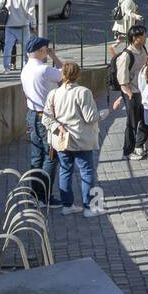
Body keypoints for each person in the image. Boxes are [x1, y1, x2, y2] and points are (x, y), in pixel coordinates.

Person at [42, 61, 101, 217]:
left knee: (65, 171)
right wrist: (104, 113)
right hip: (81, 139)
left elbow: (45, 118)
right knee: (87, 171)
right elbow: (91, 117)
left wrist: (58, 127)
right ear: (78, 74)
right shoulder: (83, 92)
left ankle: (67, 205)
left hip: (62, 140)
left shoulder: (53, 93)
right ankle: (89, 207)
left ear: (62, 75)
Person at [20, 37, 64, 202]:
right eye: (46, 49)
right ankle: (45, 196)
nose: (47, 51)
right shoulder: (45, 70)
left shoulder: (25, 69)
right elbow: (67, 74)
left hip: (32, 115)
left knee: (36, 156)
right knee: (51, 156)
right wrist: (54, 56)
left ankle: (35, 192)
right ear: (40, 51)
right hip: (46, 117)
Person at [110, 24, 148, 160]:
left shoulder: (143, 49)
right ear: (135, 38)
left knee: (146, 119)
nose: (145, 38)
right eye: (143, 36)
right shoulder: (126, 55)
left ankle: (139, 145)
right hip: (131, 92)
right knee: (132, 122)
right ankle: (128, 150)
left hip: (144, 91)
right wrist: (129, 94)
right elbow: (122, 79)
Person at [0, 0, 37, 71]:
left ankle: (6, 68)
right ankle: (25, 67)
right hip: (24, 26)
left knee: (7, 48)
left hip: (10, 25)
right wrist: (33, 26)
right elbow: (31, 13)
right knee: (26, 48)